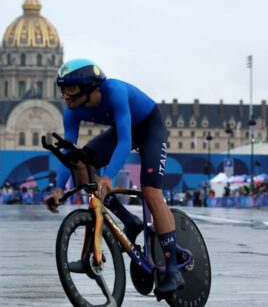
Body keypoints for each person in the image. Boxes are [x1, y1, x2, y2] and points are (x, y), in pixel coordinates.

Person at [44, 58, 184, 299]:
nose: (65, 95)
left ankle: (173, 270)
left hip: (149, 126)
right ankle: (129, 220)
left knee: (151, 192)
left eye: (70, 89)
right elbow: (69, 149)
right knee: (80, 163)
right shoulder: (72, 110)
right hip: (123, 129)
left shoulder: (115, 91)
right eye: (62, 89)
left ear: (89, 87)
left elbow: (125, 141)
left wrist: (108, 177)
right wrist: (58, 188)